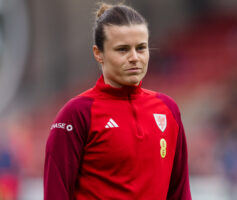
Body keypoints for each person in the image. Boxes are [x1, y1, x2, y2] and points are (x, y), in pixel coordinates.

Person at [44, 2, 191, 200]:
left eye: (141, 48)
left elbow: (180, 193)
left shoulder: (168, 110)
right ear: (98, 54)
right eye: (122, 50)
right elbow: (56, 193)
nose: (134, 57)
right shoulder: (77, 113)